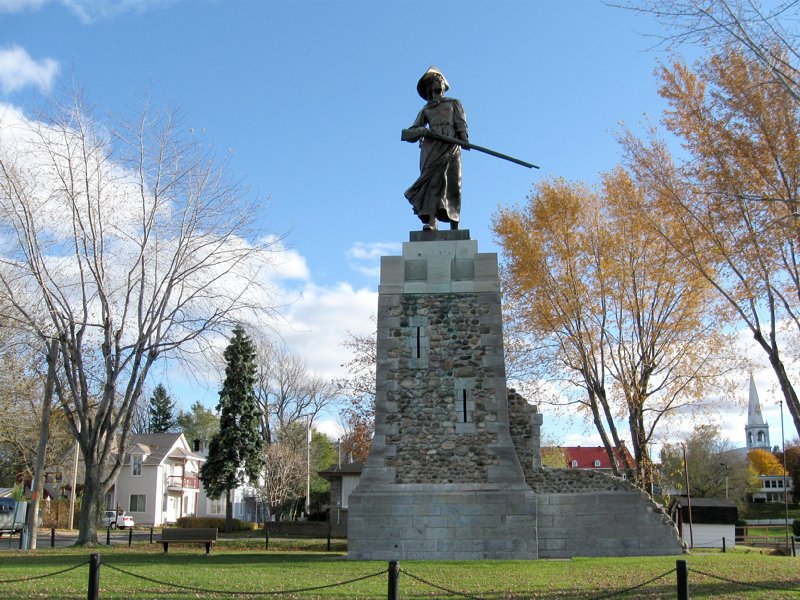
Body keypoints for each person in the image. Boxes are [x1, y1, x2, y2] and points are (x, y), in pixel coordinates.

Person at [402, 67, 468, 231]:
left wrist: (464, 138)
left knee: (453, 182)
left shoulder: (453, 103)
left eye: (438, 78)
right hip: (431, 147)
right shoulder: (426, 109)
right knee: (433, 182)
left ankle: (455, 224)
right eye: (431, 80)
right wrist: (421, 131)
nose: (435, 81)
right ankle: (432, 221)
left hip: (450, 145)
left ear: (443, 84)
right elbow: (409, 133)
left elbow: (460, 123)